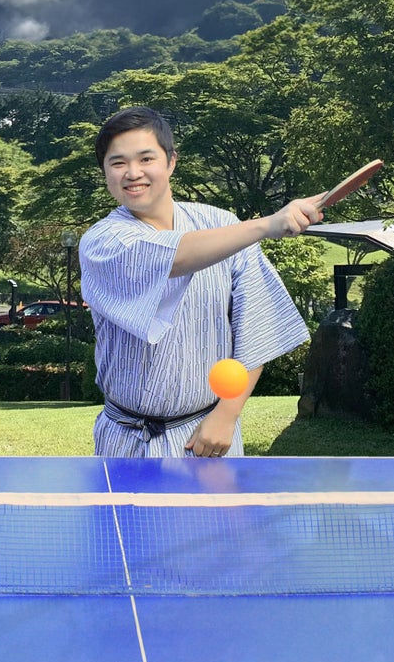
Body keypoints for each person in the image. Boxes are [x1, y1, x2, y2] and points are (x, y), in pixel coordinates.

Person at [78, 105, 326, 459]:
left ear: (171, 162)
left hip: (209, 438)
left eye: (146, 158)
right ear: (105, 172)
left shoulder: (223, 225)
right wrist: (267, 225)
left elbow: (255, 329)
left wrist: (226, 416)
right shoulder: (103, 242)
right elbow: (173, 257)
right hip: (125, 443)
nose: (133, 173)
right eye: (118, 163)